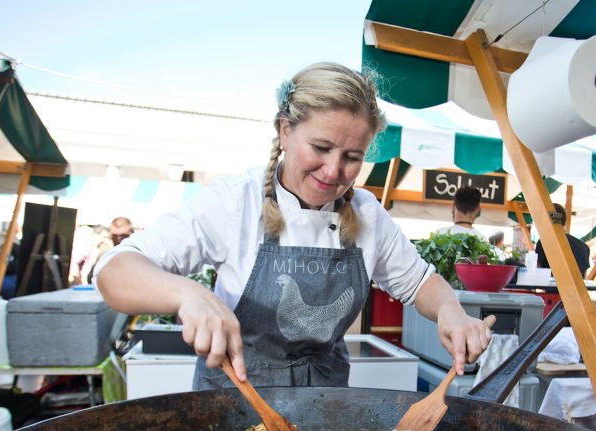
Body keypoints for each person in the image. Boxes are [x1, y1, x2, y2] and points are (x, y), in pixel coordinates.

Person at [96, 62, 491, 389]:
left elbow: (421, 283)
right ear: (285, 131)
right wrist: (186, 294)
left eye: (352, 156)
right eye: (320, 148)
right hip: (235, 402)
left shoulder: (368, 215)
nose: (334, 171)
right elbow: (115, 270)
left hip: (325, 405)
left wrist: (451, 312)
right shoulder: (237, 201)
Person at [72, 217, 134, 285]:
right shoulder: (104, 253)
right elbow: (92, 277)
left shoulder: (139, 252)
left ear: (132, 234)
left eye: (123, 236)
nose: (118, 239)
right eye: (115, 236)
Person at [534, 203, 590, 277]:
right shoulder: (583, 246)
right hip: (578, 288)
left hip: (553, 288)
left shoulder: (544, 242)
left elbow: (538, 273)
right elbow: (584, 277)